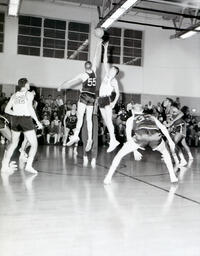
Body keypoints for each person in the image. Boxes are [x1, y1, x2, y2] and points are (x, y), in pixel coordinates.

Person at [104, 104, 178, 185]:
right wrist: (170, 141)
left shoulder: (131, 119)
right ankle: (172, 176)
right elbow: (163, 127)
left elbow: (128, 137)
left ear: (132, 111)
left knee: (119, 155)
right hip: (155, 135)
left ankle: (108, 177)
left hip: (141, 135)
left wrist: (135, 151)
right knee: (165, 153)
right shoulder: (151, 116)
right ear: (142, 111)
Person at [58, 39, 102, 152]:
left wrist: (61, 85)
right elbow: (96, 58)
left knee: (80, 116)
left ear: (84, 67)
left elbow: (71, 81)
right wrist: (98, 45)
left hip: (84, 96)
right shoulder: (95, 71)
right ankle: (90, 139)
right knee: (89, 119)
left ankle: (76, 134)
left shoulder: (83, 75)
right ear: (91, 66)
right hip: (92, 96)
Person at [1, 78, 43, 174]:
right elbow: (30, 108)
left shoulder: (14, 95)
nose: (29, 85)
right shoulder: (29, 94)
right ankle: (28, 166)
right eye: (28, 83)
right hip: (25, 120)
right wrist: (37, 121)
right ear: (25, 85)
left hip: (15, 120)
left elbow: (7, 110)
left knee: (14, 144)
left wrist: (16, 113)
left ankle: (4, 166)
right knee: (34, 144)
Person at [98, 41, 120, 153]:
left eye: (113, 70)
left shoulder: (114, 81)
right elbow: (105, 61)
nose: (111, 70)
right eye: (111, 69)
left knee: (109, 121)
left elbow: (118, 93)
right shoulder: (107, 75)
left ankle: (113, 140)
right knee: (106, 121)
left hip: (107, 100)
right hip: (100, 100)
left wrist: (114, 103)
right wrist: (106, 49)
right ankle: (113, 140)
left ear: (115, 73)